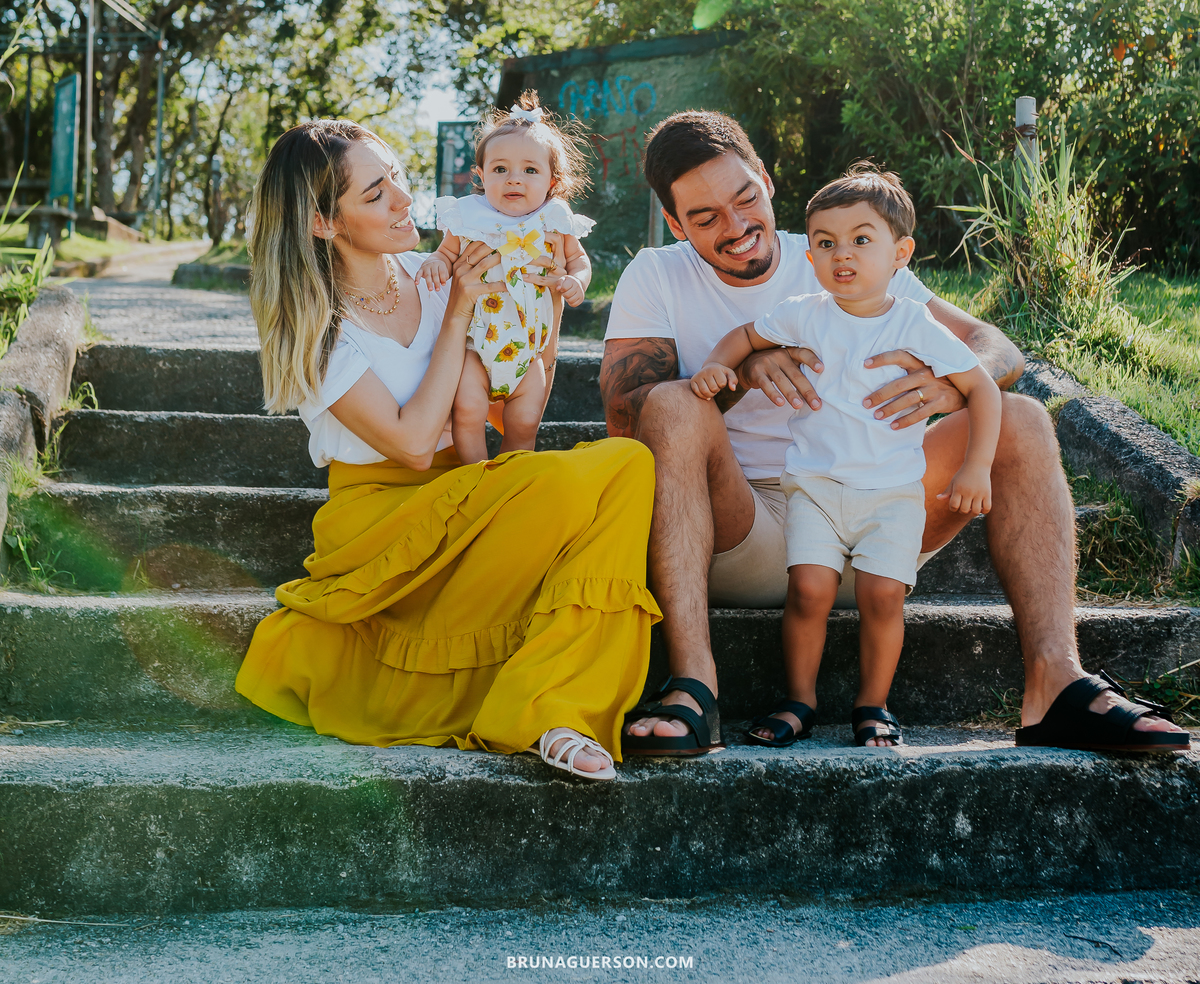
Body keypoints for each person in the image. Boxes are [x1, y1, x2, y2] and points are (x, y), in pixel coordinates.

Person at [602, 110, 1188, 758]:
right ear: (678, 225)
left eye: (744, 198)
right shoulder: (657, 275)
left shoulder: (839, 250)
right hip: (746, 530)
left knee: (1019, 417)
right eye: (706, 218)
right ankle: (694, 687)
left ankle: (1055, 684)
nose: (737, 226)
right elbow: (631, 419)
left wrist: (953, 384)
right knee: (674, 404)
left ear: (767, 181)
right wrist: (738, 369)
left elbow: (996, 346)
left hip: (884, 514)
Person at [234, 117, 658, 780]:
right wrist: (459, 309)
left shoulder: (431, 270)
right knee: (592, 476)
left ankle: (552, 705)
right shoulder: (317, 326)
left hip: (469, 489)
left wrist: (542, 302)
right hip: (383, 520)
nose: (405, 200)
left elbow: (510, 377)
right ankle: (537, 701)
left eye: (397, 179)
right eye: (375, 195)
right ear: (323, 222)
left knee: (627, 466)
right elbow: (406, 443)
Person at [689, 163, 1000, 749]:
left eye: (862, 240)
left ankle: (873, 704)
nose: (842, 255)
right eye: (826, 244)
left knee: (884, 595)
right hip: (814, 487)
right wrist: (717, 364)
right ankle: (799, 700)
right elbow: (747, 336)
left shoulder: (914, 322)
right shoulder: (805, 311)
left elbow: (983, 387)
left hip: (893, 492)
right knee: (809, 589)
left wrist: (975, 466)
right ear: (810, 256)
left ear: (900, 252)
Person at [418, 92, 593, 463]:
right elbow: (446, 253)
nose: (515, 180)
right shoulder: (468, 216)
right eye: (500, 170)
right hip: (474, 349)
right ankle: (476, 474)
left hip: (529, 353)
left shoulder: (555, 220)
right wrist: (436, 262)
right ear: (480, 176)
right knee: (467, 411)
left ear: (552, 180)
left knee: (525, 421)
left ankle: (512, 476)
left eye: (530, 170)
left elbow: (579, 260)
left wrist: (576, 281)